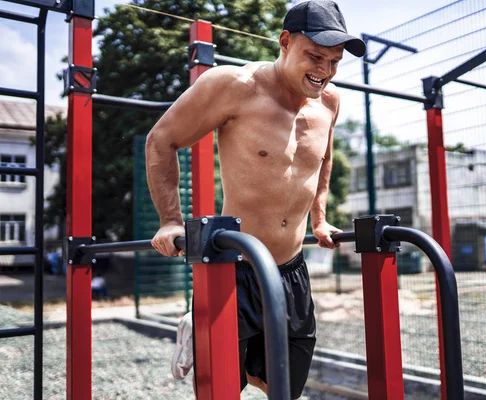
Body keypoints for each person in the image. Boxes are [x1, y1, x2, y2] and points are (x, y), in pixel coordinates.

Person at [146, 0, 365, 398]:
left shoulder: (330, 102)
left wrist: (319, 219)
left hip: (291, 271)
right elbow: (162, 139)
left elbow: (323, 159)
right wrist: (170, 219)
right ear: (285, 41)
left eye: (334, 61)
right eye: (315, 57)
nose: (325, 71)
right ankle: (197, 321)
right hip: (235, 270)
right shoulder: (233, 86)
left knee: (282, 388)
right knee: (223, 388)